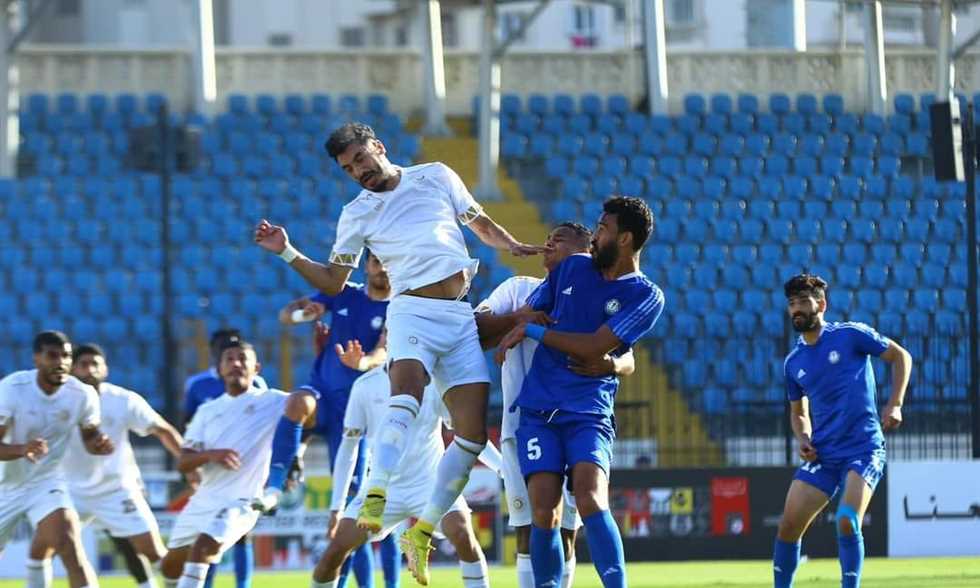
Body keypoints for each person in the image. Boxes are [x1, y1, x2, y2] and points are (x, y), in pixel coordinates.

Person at [254, 121, 541, 584]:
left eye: (360, 159)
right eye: (349, 169)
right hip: (411, 312)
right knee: (405, 395)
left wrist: (512, 245)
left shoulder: (436, 175)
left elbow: (478, 222)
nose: (358, 172)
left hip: (459, 316)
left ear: (379, 147)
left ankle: (421, 531)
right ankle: (377, 491)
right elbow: (334, 281)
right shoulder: (357, 213)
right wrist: (287, 251)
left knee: (470, 436)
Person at [496, 196, 665, 588]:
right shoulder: (573, 268)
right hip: (538, 410)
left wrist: (533, 331)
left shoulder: (645, 295)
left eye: (603, 229)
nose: (595, 236)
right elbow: (533, 308)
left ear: (625, 239)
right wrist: (524, 320)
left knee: (590, 499)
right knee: (544, 512)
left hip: (588, 412)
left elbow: (594, 347)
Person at [476, 222, 636, 588]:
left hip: (579, 417)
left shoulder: (598, 292)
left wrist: (611, 365)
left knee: (568, 532)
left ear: (585, 250)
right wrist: (518, 318)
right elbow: (476, 329)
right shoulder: (517, 289)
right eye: (547, 239)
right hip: (524, 424)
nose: (548, 244)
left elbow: (629, 356)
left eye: (558, 240)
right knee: (530, 525)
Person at [257, 251, 400, 588]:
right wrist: (301, 314)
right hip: (322, 395)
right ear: (366, 265)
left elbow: (383, 351)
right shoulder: (343, 293)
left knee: (355, 514)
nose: (383, 268)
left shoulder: (400, 307)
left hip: (357, 416)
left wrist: (360, 363)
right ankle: (275, 487)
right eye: (377, 261)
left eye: (389, 261)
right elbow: (285, 315)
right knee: (296, 402)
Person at [773, 274, 911, 588]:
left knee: (847, 519)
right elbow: (799, 414)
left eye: (803, 302)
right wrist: (803, 438)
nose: (796, 309)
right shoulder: (793, 363)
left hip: (864, 448)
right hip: (824, 453)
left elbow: (901, 356)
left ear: (821, 305)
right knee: (788, 526)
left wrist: (895, 404)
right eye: (792, 304)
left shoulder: (850, 335)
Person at [311, 366, 498, 588]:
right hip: (382, 490)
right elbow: (348, 447)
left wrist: (502, 468)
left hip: (429, 484)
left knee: (462, 534)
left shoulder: (435, 381)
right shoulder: (365, 385)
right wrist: (337, 507)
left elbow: (466, 433)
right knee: (335, 550)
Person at [33, 343, 183, 588]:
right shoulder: (56, 401)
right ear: (72, 369)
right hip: (69, 490)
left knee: (153, 551)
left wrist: (189, 465)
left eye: (95, 364)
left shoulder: (123, 400)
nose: (89, 369)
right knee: (43, 548)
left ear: (106, 369)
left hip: (116, 489)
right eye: (83, 364)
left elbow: (163, 430)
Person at [161, 338, 290, 588]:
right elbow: (183, 463)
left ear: (257, 368)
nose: (236, 364)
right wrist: (211, 455)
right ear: (220, 369)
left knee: (203, 548)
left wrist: (296, 456)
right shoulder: (206, 411)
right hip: (203, 500)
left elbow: (308, 412)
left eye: (242, 359)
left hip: (243, 501)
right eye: (229, 359)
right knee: (170, 567)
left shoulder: (274, 401)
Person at [0, 330, 114, 588]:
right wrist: (22, 449)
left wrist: (99, 444)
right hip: (4, 484)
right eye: (53, 356)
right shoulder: (12, 389)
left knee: (68, 541)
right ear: (36, 359)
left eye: (66, 356)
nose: (61, 362)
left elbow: (90, 437)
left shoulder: (82, 394)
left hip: (45, 481)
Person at [182, 328, 266, 588]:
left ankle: (243, 584)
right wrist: (193, 468)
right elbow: (187, 426)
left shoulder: (257, 383)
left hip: (245, 467)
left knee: (240, 532)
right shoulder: (197, 385)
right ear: (214, 352)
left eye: (236, 348)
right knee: (207, 530)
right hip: (210, 470)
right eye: (223, 348)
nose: (232, 358)